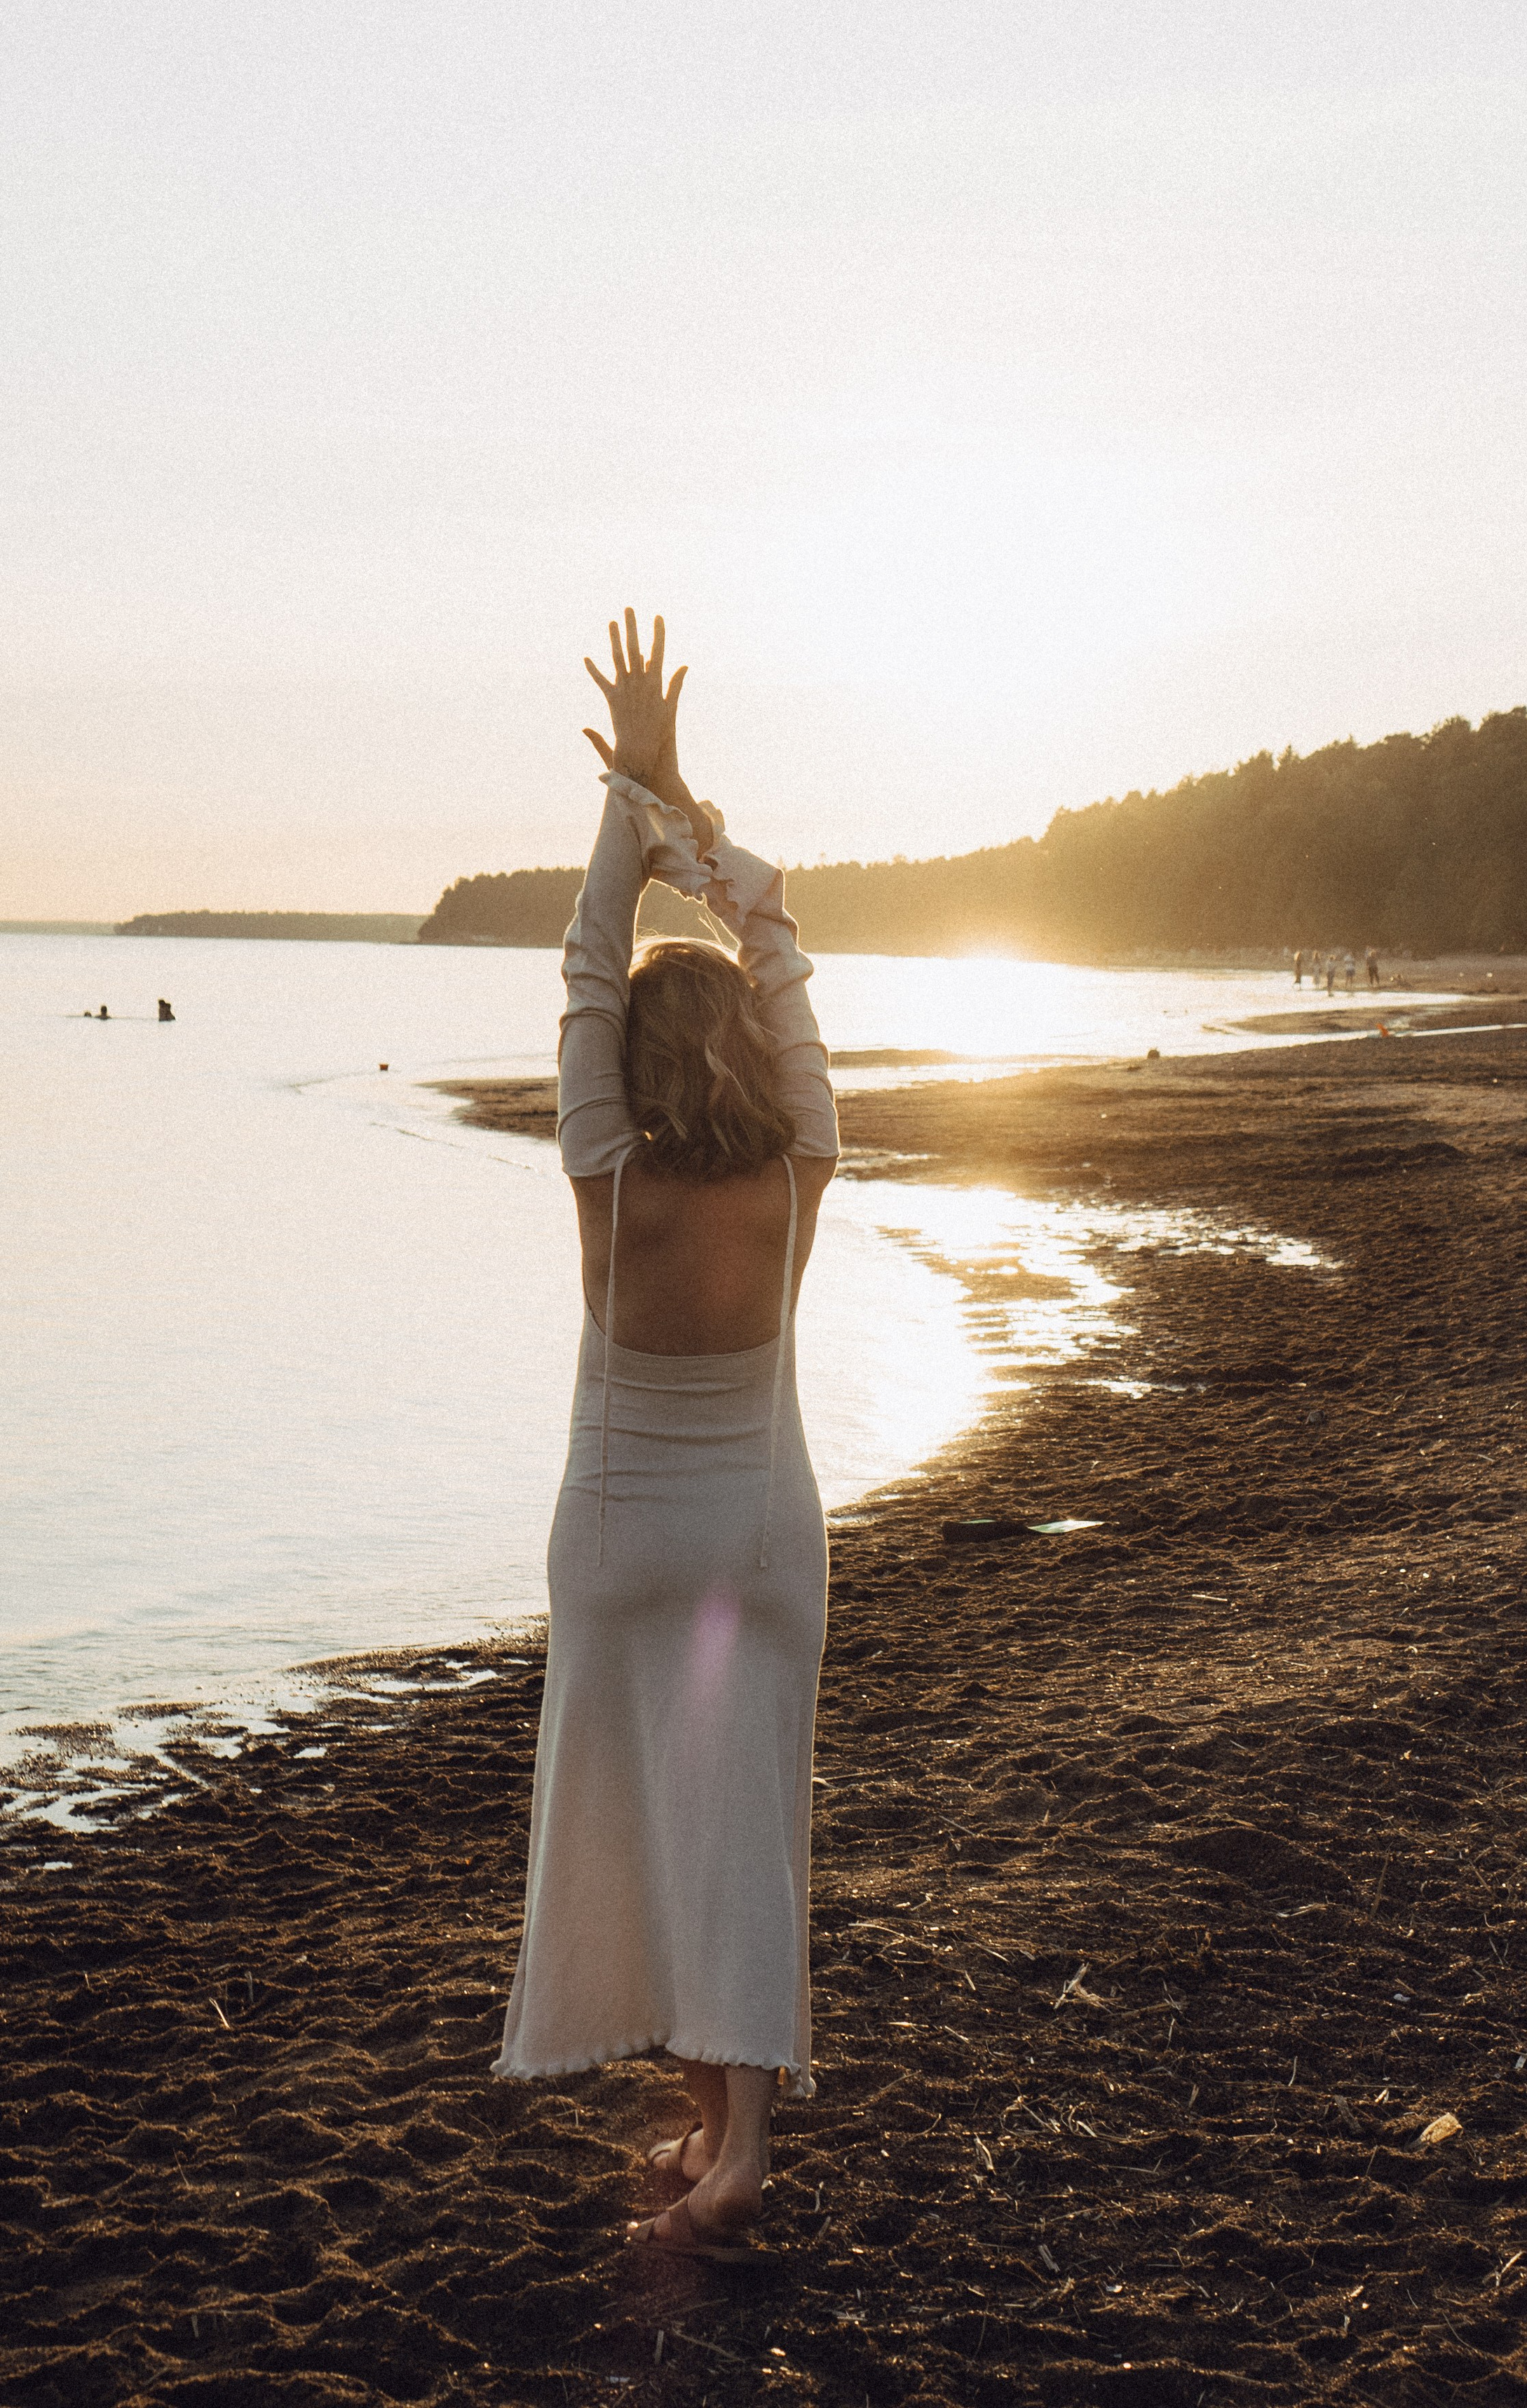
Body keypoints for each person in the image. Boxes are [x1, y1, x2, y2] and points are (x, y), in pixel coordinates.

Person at [494, 611, 839, 2265]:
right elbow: (779, 952)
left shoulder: (607, 1175)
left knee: (646, 1820)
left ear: (628, 1068)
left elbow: (585, 963)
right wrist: (681, 808)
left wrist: (624, 810)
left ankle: (729, 2144)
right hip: (758, 1538)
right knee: (739, 1830)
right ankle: (728, 2134)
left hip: (624, 1541)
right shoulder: (798, 1170)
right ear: (754, 1050)